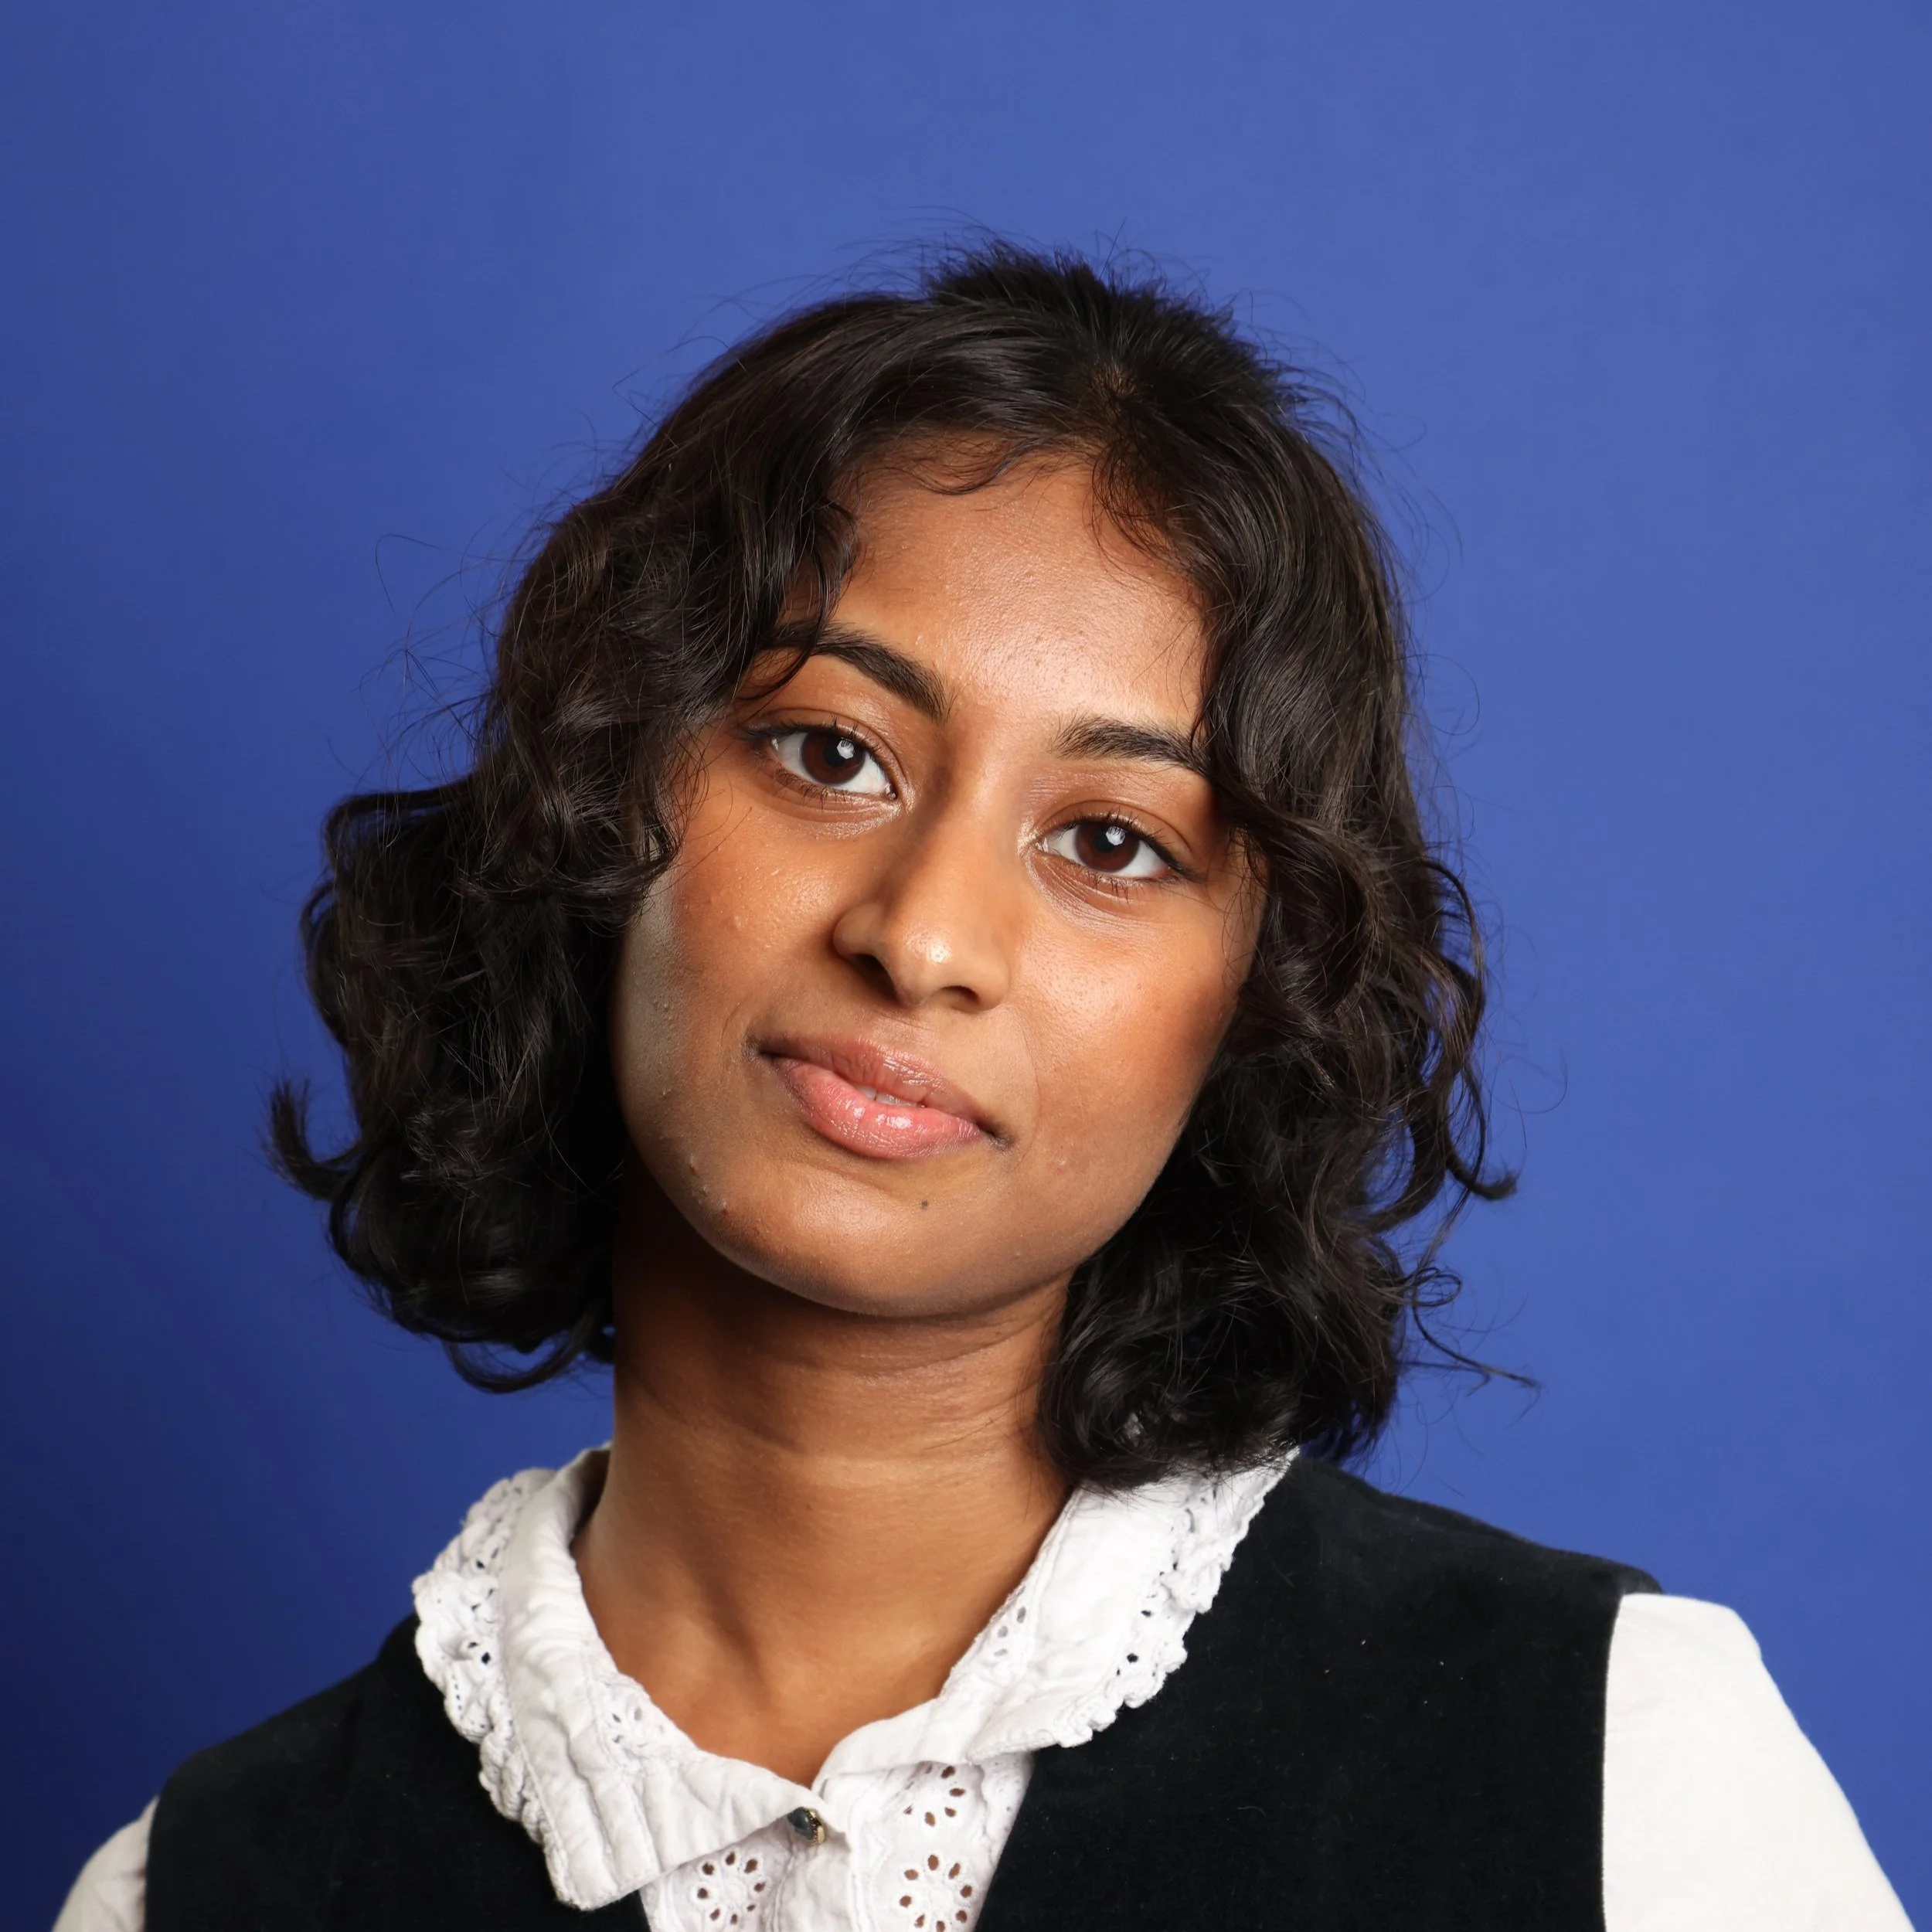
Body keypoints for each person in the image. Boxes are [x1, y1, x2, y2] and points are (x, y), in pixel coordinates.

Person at [56, 248, 1908, 1931]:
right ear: (604, 798)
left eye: (1109, 840)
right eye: (827, 750)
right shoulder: (194, 1893)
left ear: (1251, 1001)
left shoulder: (1619, 1774)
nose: (924, 933)